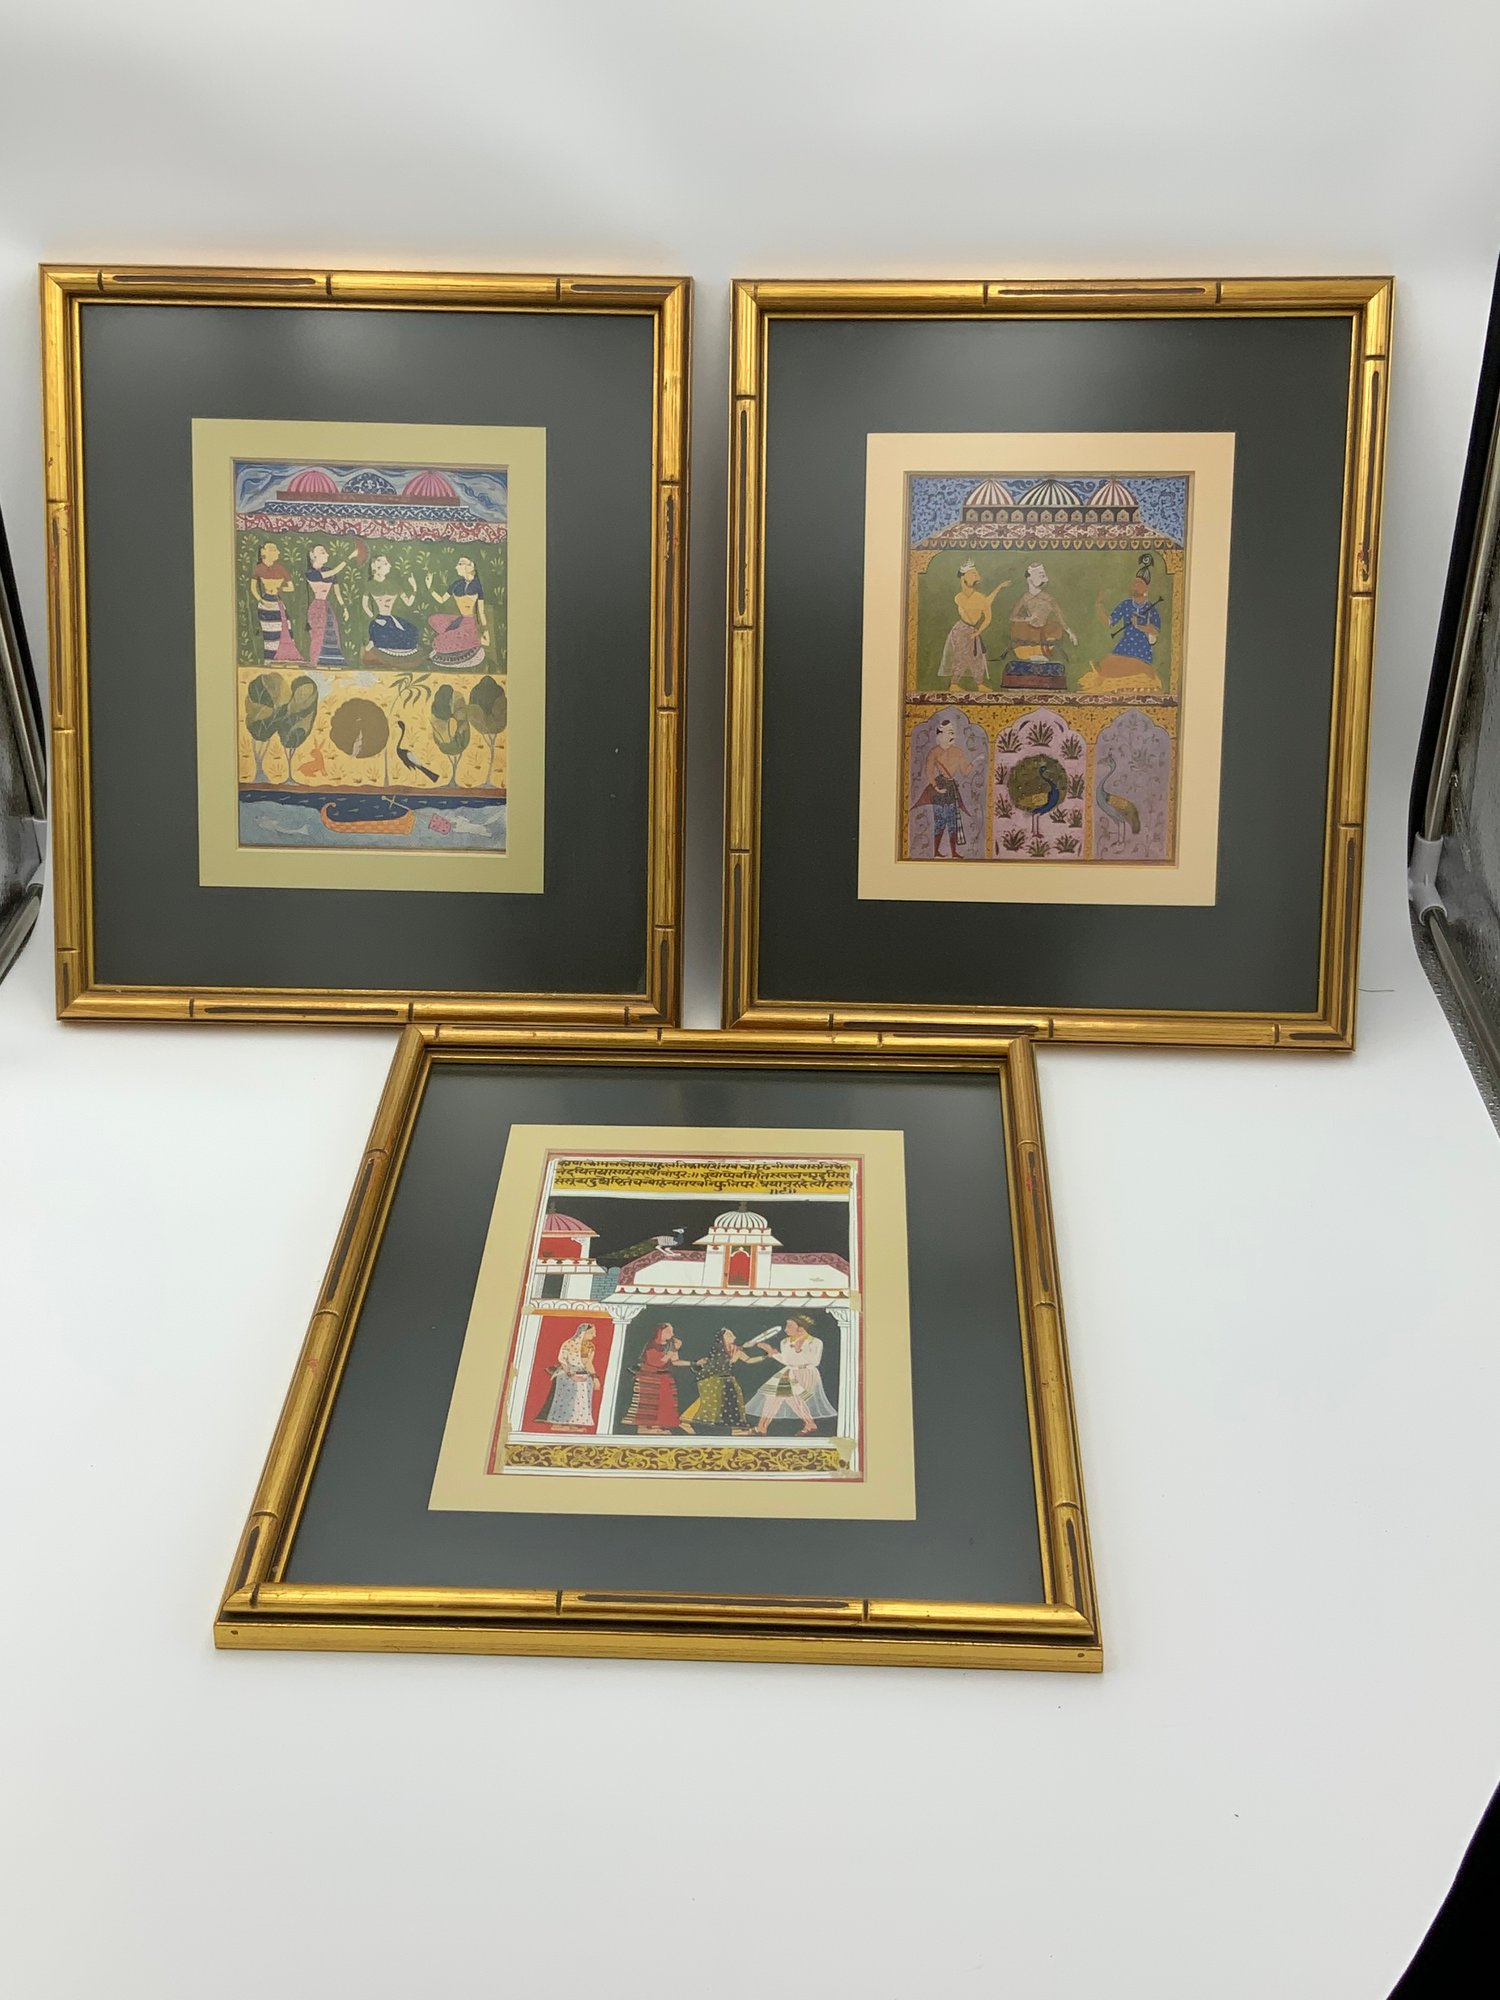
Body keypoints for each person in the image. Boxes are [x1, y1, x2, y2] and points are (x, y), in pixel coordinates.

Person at [1080, 557, 1164, 694]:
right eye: (1134, 583)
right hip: (1124, 647)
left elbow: (1155, 631)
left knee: (1113, 667)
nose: (1134, 586)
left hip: (1141, 651)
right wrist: (1099, 605)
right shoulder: (1126, 604)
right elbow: (1109, 622)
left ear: (1146, 587)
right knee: (1105, 664)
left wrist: (1139, 626)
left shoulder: (1151, 608)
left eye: (1138, 583)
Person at [744, 1315, 837, 1436]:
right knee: (772, 1396)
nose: (786, 1329)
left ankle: (808, 1424)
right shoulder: (785, 1342)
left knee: (791, 1397)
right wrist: (771, 1352)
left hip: (806, 1373)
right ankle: (762, 1427)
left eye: (789, 1326)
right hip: (789, 1372)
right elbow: (787, 1361)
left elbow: (815, 1361)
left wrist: (799, 1350)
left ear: (801, 1328)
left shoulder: (815, 1342)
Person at [1002, 562, 1075, 690]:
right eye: (1038, 574)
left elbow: (1060, 617)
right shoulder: (1025, 597)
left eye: (1042, 574)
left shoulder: (1048, 598)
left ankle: (1041, 655)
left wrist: (1069, 632)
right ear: (1029, 578)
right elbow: (1012, 617)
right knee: (1018, 627)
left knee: (1055, 628)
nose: (1041, 576)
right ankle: (1029, 655)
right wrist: (1028, 619)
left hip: (1044, 633)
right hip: (1028, 632)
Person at [911, 712, 975, 858]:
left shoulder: (957, 752)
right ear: (941, 734)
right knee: (940, 821)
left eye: (953, 733)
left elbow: (965, 771)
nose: (952, 736)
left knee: (952, 821)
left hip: (951, 788)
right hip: (939, 788)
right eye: (949, 732)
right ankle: (936, 852)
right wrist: (935, 787)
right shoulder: (934, 752)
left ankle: (953, 852)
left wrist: (975, 762)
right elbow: (929, 771)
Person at [938, 560, 1010, 689]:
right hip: (961, 630)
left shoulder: (979, 597)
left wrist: (978, 631)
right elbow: (969, 609)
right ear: (963, 576)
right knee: (961, 656)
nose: (976, 576)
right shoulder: (959, 597)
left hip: (973, 631)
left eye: (976, 574)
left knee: (977, 657)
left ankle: (980, 684)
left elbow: (987, 616)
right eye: (973, 573)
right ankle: (954, 684)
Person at [679, 1327, 766, 1433]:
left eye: (732, 1334)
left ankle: (736, 1429)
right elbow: (719, 1364)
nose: (733, 1336)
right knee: (706, 1401)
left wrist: (765, 1356)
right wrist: (733, 1359)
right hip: (710, 1378)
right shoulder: (717, 1349)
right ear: (721, 1338)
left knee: (734, 1400)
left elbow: (748, 1360)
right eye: (729, 1334)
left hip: (725, 1378)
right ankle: (685, 1421)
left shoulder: (735, 1349)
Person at [622, 1322, 689, 1433]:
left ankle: (659, 1427)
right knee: (649, 1405)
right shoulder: (652, 1345)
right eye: (668, 1331)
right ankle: (645, 1428)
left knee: (666, 1403)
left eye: (672, 1331)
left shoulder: (670, 1345)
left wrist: (694, 1363)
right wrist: (673, 1350)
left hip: (665, 1378)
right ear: (659, 1332)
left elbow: (675, 1361)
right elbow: (658, 1362)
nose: (672, 1334)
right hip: (649, 1378)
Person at [425, 555, 489, 668]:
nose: (456, 567)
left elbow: (481, 611)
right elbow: (441, 599)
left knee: (438, 642)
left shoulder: (477, 585)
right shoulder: (456, 584)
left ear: (471, 566)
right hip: (459, 619)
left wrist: (486, 631)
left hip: (470, 622)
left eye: (460, 564)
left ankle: (474, 639)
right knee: (433, 619)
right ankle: (454, 634)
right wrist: (430, 588)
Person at [534, 1323, 600, 1432]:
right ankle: (558, 1424)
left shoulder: (590, 1346)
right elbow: (563, 1361)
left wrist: (595, 1378)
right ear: (583, 1333)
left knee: (586, 1383)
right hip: (566, 1373)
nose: (594, 1335)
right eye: (591, 1333)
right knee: (569, 1387)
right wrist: (572, 1375)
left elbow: (588, 1363)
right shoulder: (569, 1344)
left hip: (582, 1373)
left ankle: (573, 1423)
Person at [249, 541, 301, 664]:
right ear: (265, 553)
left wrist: (280, 588)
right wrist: (261, 600)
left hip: (277, 604)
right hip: (265, 605)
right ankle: (269, 660)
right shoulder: (259, 568)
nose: (278, 552)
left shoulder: (280, 568)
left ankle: (285, 659)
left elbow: (291, 587)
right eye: (273, 550)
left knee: (284, 630)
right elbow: (253, 588)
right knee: (269, 635)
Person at [362, 555, 421, 661]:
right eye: (385, 563)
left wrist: (414, 588)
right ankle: (373, 644)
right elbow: (365, 605)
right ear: (377, 567)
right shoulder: (370, 585)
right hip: (379, 620)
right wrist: (373, 618)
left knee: (413, 632)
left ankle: (376, 642)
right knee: (380, 632)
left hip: (391, 619)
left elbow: (408, 603)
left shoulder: (394, 585)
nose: (389, 565)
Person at [304, 544, 351, 665]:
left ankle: (331, 661)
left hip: (326, 607)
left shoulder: (329, 571)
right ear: (313, 555)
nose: (327, 554)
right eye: (322, 552)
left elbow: (337, 593)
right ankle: (314, 662)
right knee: (317, 634)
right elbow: (334, 571)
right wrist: (349, 557)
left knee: (331, 632)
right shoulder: (310, 573)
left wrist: (344, 608)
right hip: (317, 607)